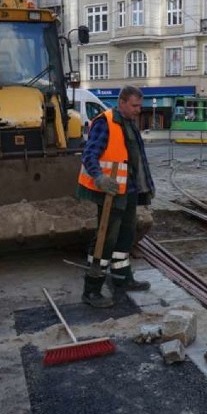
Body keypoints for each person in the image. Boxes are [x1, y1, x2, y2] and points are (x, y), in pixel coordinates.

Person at [76, 85, 156, 308]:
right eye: (134, 105)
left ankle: (123, 279)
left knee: (125, 238)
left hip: (128, 191)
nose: (138, 110)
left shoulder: (128, 122)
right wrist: (99, 177)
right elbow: (90, 154)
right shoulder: (105, 121)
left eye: (140, 106)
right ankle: (91, 289)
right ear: (121, 102)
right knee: (105, 240)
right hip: (110, 192)